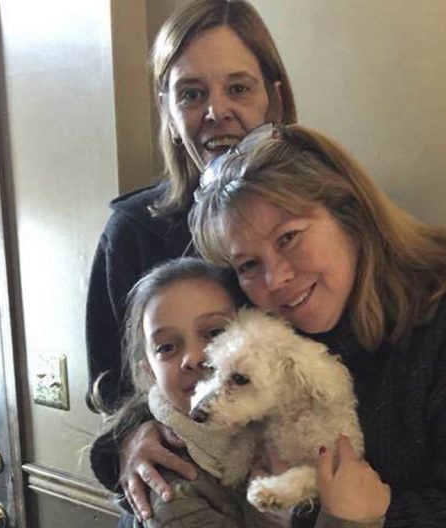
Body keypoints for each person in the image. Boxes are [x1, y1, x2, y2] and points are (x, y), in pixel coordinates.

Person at [92, 124, 446, 527]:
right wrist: (133, 436)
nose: (276, 279)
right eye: (247, 266)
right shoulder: (272, 327)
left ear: (350, 214)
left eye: (289, 238)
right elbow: (191, 370)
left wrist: (351, 516)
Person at [86, 0, 297, 414]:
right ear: (167, 109)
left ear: (272, 101)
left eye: (238, 88)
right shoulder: (131, 232)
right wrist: (129, 437)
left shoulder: (323, 216)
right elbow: (109, 389)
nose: (216, 112)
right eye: (192, 94)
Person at [93, 256, 387, 528]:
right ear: (148, 371)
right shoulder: (171, 489)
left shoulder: (273, 419)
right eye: (167, 347)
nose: (194, 357)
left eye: (215, 333)